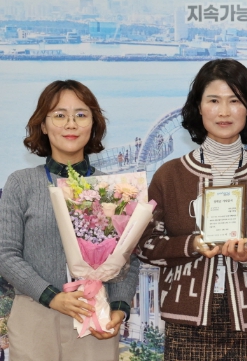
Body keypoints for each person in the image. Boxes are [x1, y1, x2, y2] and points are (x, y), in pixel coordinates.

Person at [137, 59, 247, 360]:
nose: (224, 112)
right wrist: (191, 245)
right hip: (186, 320)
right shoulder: (170, 175)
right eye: (214, 101)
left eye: (235, 101)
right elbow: (144, 245)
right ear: (198, 108)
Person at [0, 80, 139, 361]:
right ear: (43, 125)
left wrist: (119, 308)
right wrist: (52, 296)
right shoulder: (21, 183)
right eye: (60, 115)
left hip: (94, 317)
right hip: (34, 317)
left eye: (81, 115)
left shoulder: (114, 188)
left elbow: (128, 259)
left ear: (93, 124)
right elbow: (6, 253)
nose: (71, 124)